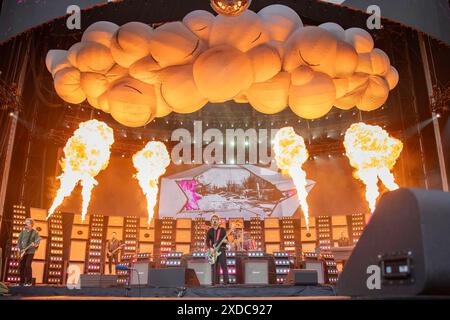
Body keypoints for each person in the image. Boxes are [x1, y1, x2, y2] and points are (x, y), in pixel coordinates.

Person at [205, 214, 229, 286]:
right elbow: (207, 241)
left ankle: (226, 282)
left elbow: (227, 241)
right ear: (211, 222)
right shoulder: (210, 231)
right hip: (213, 251)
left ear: (219, 221)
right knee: (214, 267)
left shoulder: (222, 230)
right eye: (213, 219)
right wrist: (210, 248)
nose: (214, 221)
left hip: (221, 249)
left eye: (216, 219)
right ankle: (214, 282)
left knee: (223, 265)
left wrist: (224, 241)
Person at [16, 218, 41, 286]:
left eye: (27, 222)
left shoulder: (35, 232)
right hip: (22, 251)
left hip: (30, 251)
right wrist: (18, 249)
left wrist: (35, 244)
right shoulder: (22, 232)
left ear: (31, 224)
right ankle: (21, 282)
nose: (25, 223)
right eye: (25, 222)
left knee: (27, 265)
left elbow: (37, 241)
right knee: (21, 266)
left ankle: (29, 282)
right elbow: (18, 241)